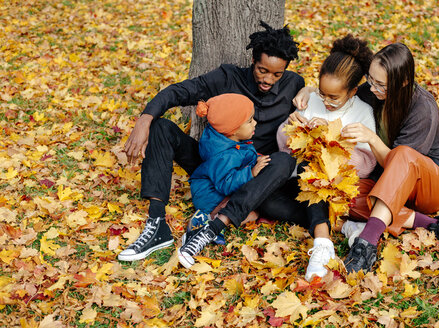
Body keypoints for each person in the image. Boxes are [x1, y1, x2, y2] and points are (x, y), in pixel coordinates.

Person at [118, 21, 304, 262]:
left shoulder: (293, 85)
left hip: (254, 174)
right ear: (253, 62)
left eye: (277, 74)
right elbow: (179, 92)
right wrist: (145, 120)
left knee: (283, 162)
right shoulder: (227, 77)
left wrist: (307, 92)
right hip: (212, 164)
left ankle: (216, 224)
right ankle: (157, 225)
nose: (269, 79)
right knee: (162, 127)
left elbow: (323, 97)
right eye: (262, 70)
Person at [340, 42, 439, 273]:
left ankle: (366, 243)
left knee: (403, 154)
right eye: (369, 79)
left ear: (403, 82)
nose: (371, 88)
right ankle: (433, 225)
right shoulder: (369, 92)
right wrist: (307, 92)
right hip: (389, 191)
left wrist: (372, 138)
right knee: (338, 192)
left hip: (432, 186)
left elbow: (400, 165)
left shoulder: (422, 107)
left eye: (380, 84)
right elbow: (340, 96)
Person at [275, 35, 377, 281]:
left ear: (352, 91)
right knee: (269, 202)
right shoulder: (310, 101)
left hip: (336, 188)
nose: (327, 103)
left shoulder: (363, 112)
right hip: (300, 181)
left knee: (314, 170)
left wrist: (329, 140)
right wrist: (292, 127)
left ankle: (322, 244)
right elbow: (283, 147)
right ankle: (343, 226)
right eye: (323, 94)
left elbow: (366, 164)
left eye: (334, 98)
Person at [177, 94, 270, 267]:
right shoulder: (224, 155)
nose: (255, 123)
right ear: (234, 129)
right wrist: (251, 172)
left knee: (254, 209)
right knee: (252, 213)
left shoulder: (230, 141)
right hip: (212, 196)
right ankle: (206, 221)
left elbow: (243, 155)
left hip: (217, 189)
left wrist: (256, 160)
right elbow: (226, 184)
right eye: (250, 121)